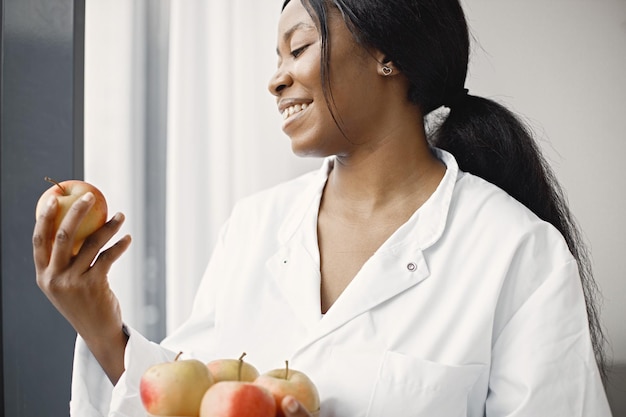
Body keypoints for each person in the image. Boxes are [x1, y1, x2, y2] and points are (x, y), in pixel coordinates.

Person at [33, 0, 612, 416]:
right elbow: (190, 392)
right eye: (275, 55)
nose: (275, 79)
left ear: (388, 53)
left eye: (300, 47)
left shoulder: (517, 250)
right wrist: (99, 322)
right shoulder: (253, 225)